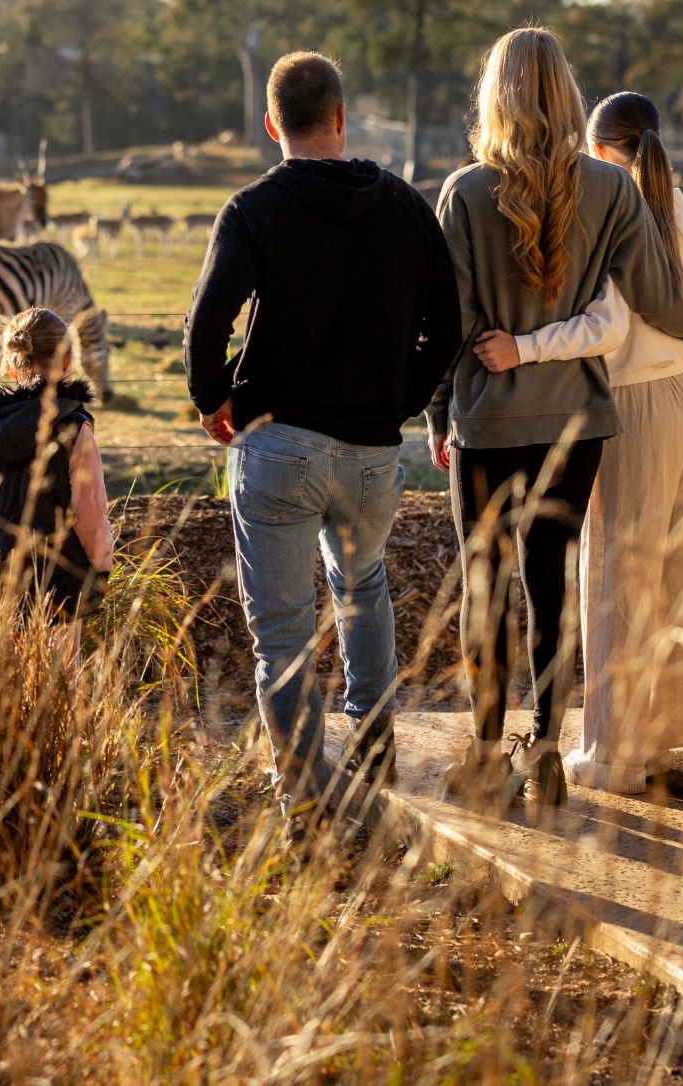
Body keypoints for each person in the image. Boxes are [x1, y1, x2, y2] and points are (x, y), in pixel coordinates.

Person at [427, 30, 683, 810]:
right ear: (566, 94)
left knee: (485, 588)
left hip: (487, 422)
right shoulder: (612, 190)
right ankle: (549, 750)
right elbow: (657, 297)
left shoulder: (463, 193)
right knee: (550, 582)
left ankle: (488, 753)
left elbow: (446, 322)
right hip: (577, 425)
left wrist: (436, 414)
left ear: (496, 95)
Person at [185, 50, 461, 824]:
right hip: (374, 451)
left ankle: (305, 801)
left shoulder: (252, 210)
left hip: (278, 446)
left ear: (271, 123)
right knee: (363, 589)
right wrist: (400, 404)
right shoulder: (407, 208)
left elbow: (207, 324)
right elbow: (451, 328)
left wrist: (214, 401)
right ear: (341, 118)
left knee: (282, 635)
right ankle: (375, 759)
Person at [484, 92, 683, 795]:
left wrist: (524, 348)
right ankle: (656, 741)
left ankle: (611, 754)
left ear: (595, 150)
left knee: (615, 579)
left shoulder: (614, 214)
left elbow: (607, 327)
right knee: (677, 577)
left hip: (634, 403)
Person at [0, 307, 113, 620]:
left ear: (8, 364)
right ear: (67, 361)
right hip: (55, 590)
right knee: (58, 670)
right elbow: (91, 514)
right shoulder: (73, 426)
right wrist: (100, 569)